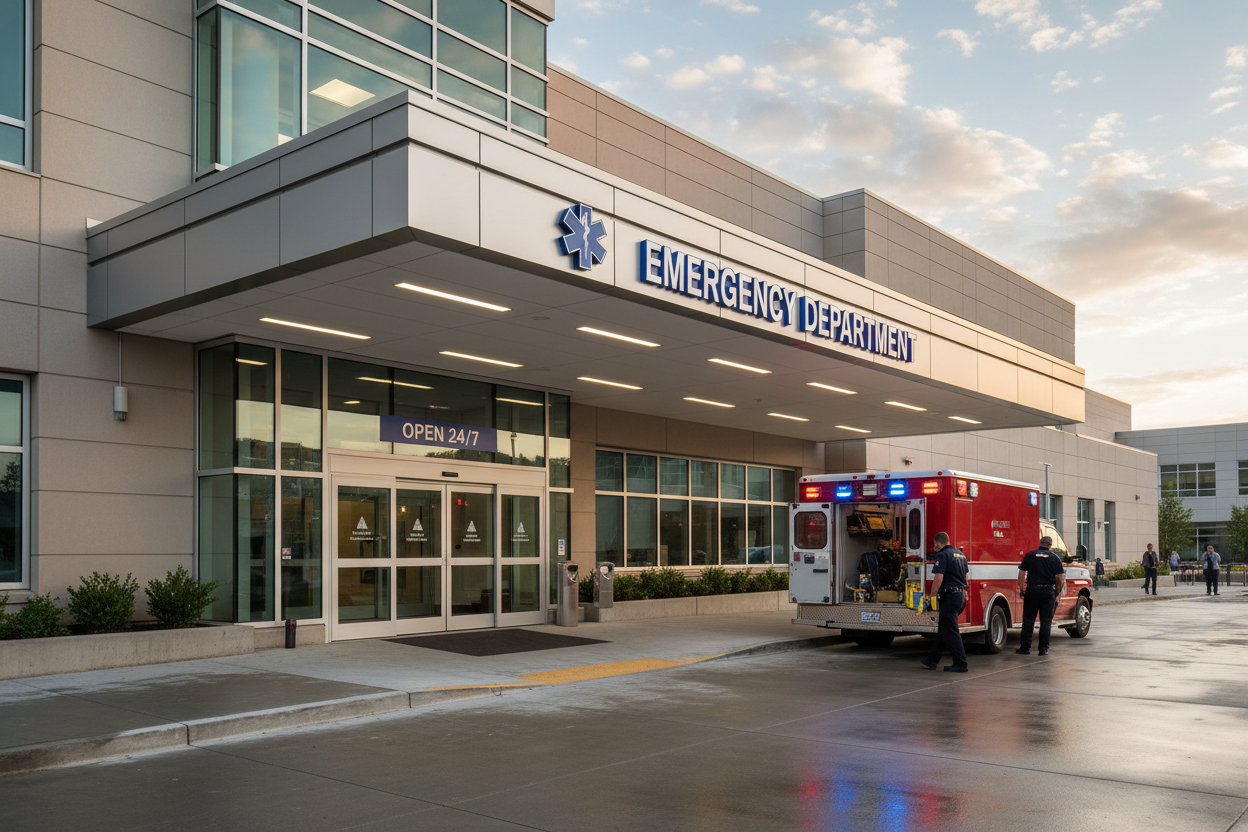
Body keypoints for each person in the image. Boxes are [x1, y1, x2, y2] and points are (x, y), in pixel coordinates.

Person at [920, 531, 969, 673]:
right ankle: (932, 660)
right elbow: (967, 577)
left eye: (935, 546)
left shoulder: (942, 555)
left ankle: (961, 663)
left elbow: (939, 578)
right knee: (944, 629)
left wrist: (932, 597)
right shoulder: (961, 554)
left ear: (938, 543)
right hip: (960, 595)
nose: (935, 548)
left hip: (950, 596)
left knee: (951, 631)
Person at [1017, 535, 1066, 656]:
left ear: (1040, 543)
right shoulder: (1055, 558)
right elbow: (1059, 579)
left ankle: (1025, 648)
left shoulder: (1030, 555)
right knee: (1046, 621)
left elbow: (1021, 573)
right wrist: (1056, 593)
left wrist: (1021, 588)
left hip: (1032, 591)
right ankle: (1044, 649)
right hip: (1047, 592)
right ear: (1050, 545)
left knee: (1028, 620)